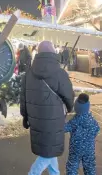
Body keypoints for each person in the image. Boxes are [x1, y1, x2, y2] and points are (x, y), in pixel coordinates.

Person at [20, 41, 74, 175]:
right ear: (53, 53)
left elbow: (24, 99)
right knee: (48, 152)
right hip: (54, 117)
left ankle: (55, 173)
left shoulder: (28, 74)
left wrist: (25, 117)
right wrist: (69, 107)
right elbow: (69, 96)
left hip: (36, 119)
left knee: (49, 149)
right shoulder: (60, 73)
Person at [65, 93, 100, 175]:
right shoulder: (92, 121)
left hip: (75, 149)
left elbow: (64, 128)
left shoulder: (74, 121)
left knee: (72, 166)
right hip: (89, 150)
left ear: (76, 108)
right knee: (90, 167)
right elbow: (96, 129)